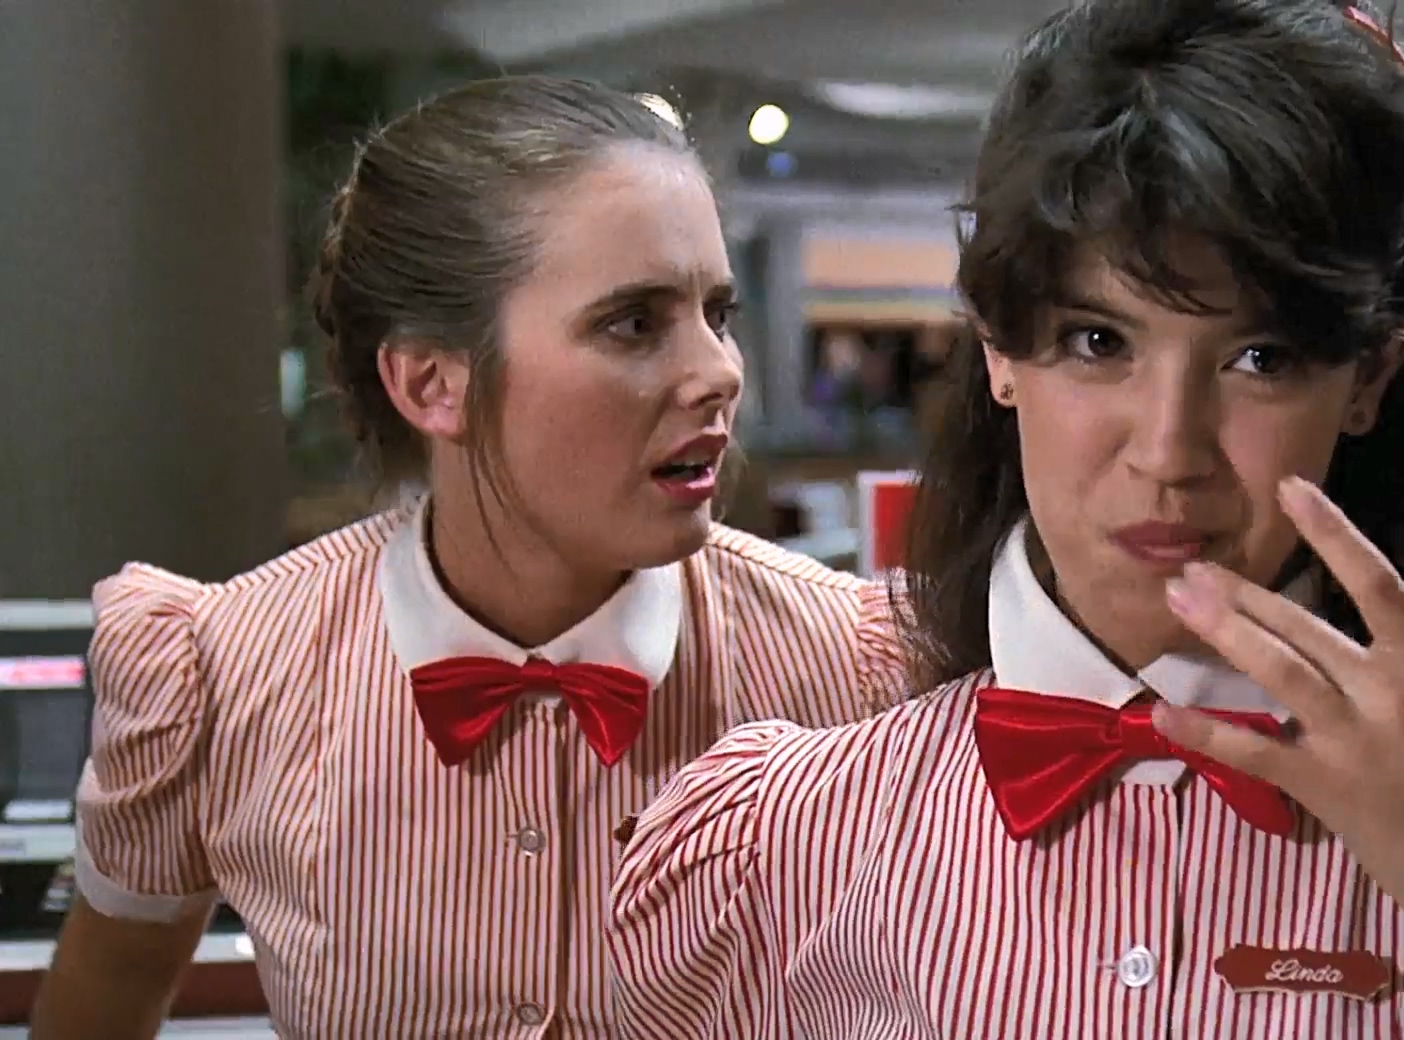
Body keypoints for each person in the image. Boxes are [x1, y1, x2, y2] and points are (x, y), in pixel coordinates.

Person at [605, 1, 1404, 1037]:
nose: (1169, 451)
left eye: (1261, 357)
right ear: (997, 348)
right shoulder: (786, 847)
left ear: (1367, 378)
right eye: (1098, 342)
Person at [32, 76, 903, 1039]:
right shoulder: (226, 671)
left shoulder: (850, 671)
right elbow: (98, 1006)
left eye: (718, 314)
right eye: (634, 323)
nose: (720, 371)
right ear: (432, 383)